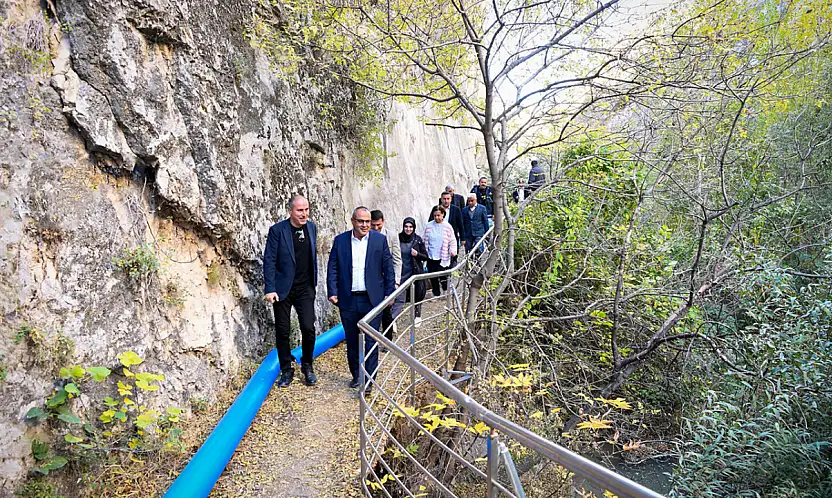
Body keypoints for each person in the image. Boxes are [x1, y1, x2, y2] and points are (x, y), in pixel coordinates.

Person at [327, 207, 395, 390]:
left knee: (371, 340)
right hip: (348, 299)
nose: (365, 225)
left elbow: (388, 267)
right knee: (352, 340)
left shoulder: (379, 240)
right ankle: (357, 375)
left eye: (367, 221)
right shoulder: (340, 241)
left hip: (372, 299)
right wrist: (332, 291)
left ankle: (370, 380)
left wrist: (390, 293)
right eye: (361, 221)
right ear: (353, 221)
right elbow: (332, 267)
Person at [263, 195, 319, 388]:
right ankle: (286, 369)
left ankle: (307, 364)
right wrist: (270, 288)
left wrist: (313, 283)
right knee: (283, 331)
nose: (304, 214)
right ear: (290, 211)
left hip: (305, 289)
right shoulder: (278, 231)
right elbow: (269, 260)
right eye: (299, 210)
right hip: (282, 289)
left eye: (306, 210)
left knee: (308, 328)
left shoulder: (311, 228)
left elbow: (312, 257)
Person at [370, 209, 402, 342]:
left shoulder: (392, 236)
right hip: (371, 280)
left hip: (387, 280)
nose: (376, 228)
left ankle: (387, 340)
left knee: (387, 311)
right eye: (373, 225)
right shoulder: (367, 236)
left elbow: (397, 260)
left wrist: (396, 282)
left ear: (383, 221)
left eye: (379, 225)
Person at [392, 217, 428, 326]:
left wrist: (417, 254)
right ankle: (391, 319)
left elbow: (426, 256)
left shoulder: (417, 239)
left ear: (414, 227)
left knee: (417, 295)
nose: (408, 229)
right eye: (406, 226)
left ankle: (417, 315)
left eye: (410, 227)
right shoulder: (397, 238)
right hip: (401, 273)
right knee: (399, 298)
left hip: (414, 273)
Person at [423, 205, 457, 296]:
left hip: (442, 255)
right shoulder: (429, 226)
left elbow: (452, 240)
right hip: (431, 255)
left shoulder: (447, 226)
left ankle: (446, 290)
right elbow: (424, 239)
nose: (436, 218)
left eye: (438, 215)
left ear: (443, 215)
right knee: (432, 276)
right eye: (435, 216)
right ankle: (436, 293)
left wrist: (453, 250)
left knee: (443, 276)